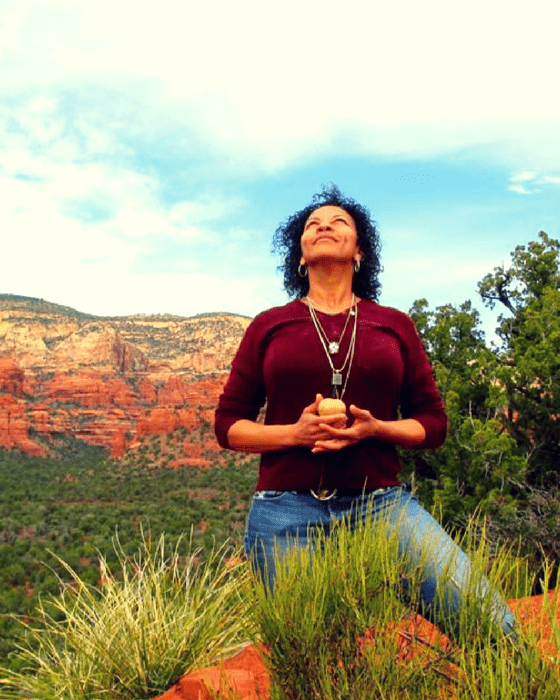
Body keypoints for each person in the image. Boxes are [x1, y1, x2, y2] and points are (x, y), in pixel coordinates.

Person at [213, 184, 516, 642]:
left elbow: (433, 424)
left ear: (359, 252)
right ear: (299, 255)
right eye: (313, 224)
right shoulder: (269, 325)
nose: (324, 226)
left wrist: (376, 429)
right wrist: (295, 434)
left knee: (484, 618)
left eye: (338, 222)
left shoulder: (393, 324)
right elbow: (228, 426)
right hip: (284, 512)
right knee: (308, 659)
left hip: (381, 506)